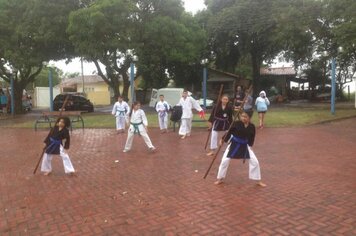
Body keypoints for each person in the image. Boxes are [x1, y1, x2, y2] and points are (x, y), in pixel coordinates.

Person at [214, 112, 266, 187]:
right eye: (242, 116)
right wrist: (222, 140)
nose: (243, 118)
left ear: (249, 118)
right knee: (224, 160)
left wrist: (250, 145)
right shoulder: (236, 123)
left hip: (245, 145)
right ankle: (220, 178)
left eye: (245, 117)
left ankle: (258, 180)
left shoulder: (251, 126)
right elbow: (229, 132)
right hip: (234, 144)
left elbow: (252, 137)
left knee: (255, 162)